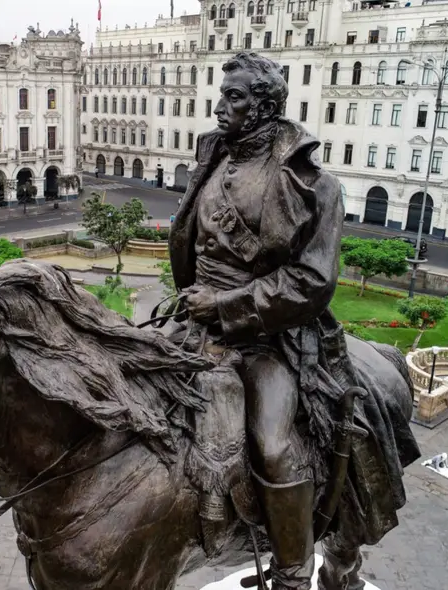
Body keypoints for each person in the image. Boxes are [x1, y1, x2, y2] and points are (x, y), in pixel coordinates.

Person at [169, 52, 417, 589]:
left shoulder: (317, 187)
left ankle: (292, 573)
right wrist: (195, 299)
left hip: (272, 339)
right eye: (223, 94)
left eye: (233, 97)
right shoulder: (211, 159)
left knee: (275, 444)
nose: (220, 107)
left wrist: (228, 306)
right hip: (194, 322)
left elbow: (312, 282)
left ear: (263, 107)